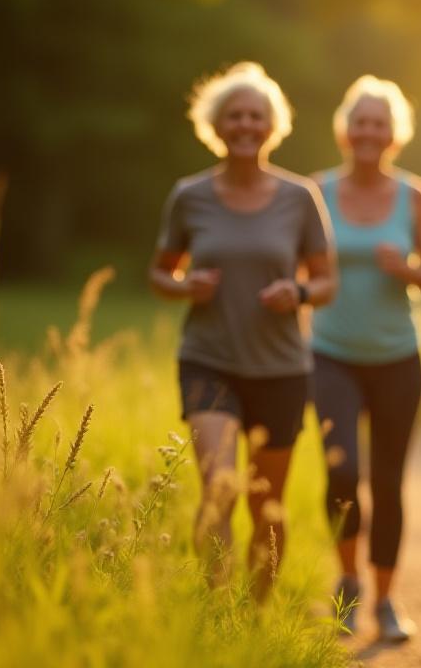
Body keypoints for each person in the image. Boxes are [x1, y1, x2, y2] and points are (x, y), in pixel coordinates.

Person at [150, 61, 338, 602]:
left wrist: (297, 293)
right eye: (234, 116)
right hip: (208, 358)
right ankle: (214, 617)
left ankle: (254, 617)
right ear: (216, 124)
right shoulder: (190, 196)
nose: (245, 125)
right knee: (218, 491)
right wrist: (185, 285)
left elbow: (326, 283)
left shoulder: (299, 196)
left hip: (280, 367)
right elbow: (159, 272)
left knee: (266, 504)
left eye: (256, 115)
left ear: (272, 125)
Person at [310, 75, 421, 643]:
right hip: (330, 354)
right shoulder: (314, 192)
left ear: (394, 135)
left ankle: (387, 600)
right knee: (342, 470)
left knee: (389, 481)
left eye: (379, 124)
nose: (368, 132)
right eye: (360, 122)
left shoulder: (414, 194)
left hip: (398, 356)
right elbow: (299, 268)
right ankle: (348, 579)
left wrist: (408, 270)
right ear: (346, 130)